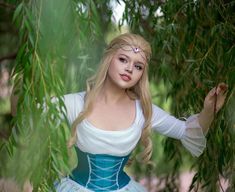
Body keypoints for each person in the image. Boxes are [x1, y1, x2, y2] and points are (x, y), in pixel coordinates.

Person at [11, 33, 228, 192]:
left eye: (138, 66)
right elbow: (25, 118)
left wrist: (209, 110)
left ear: (142, 74)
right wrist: (22, 82)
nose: (129, 69)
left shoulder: (144, 111)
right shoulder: (74, 104)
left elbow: (189, 132)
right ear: (109, 59)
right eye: (123, 59)